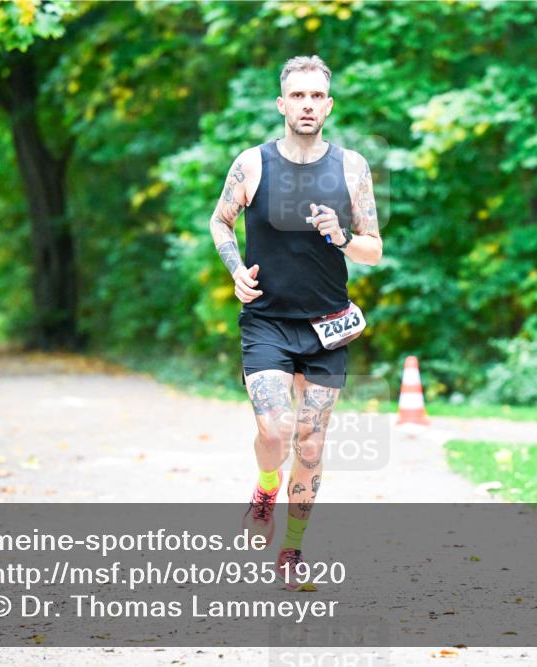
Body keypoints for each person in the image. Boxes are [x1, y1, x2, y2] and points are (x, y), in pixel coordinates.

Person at [208, 55, 383, 590]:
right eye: (298, 96)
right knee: (275, 428)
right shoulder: (252, 164)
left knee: (309, 444)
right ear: (282, 104)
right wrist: (235, 270)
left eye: (316, 96)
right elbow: (221, 221)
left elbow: (374, 249)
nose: (307, 105)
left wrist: (343, 238)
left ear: (328, 106)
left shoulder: (352, 167)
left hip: (327, 325)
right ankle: (265, 489)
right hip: (267, 321)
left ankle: (292, 551)